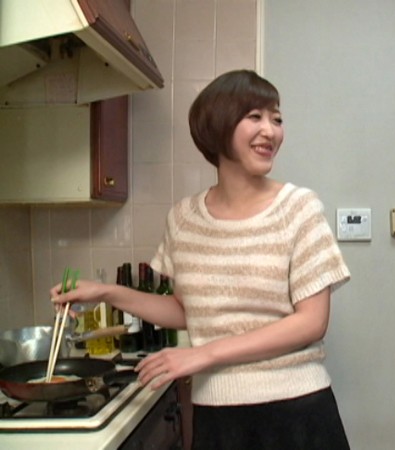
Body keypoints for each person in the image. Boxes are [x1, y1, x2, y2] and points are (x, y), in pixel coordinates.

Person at [51, 70, 352, 450]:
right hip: (216, 415)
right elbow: (187, 310)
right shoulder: (184, 219)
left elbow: (311, 322)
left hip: (298, 412)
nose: (271, 131)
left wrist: (201, 354)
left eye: (276, 119)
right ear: (217, 126)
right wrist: (106, 292)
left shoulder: (299, 208)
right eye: (255, 116)